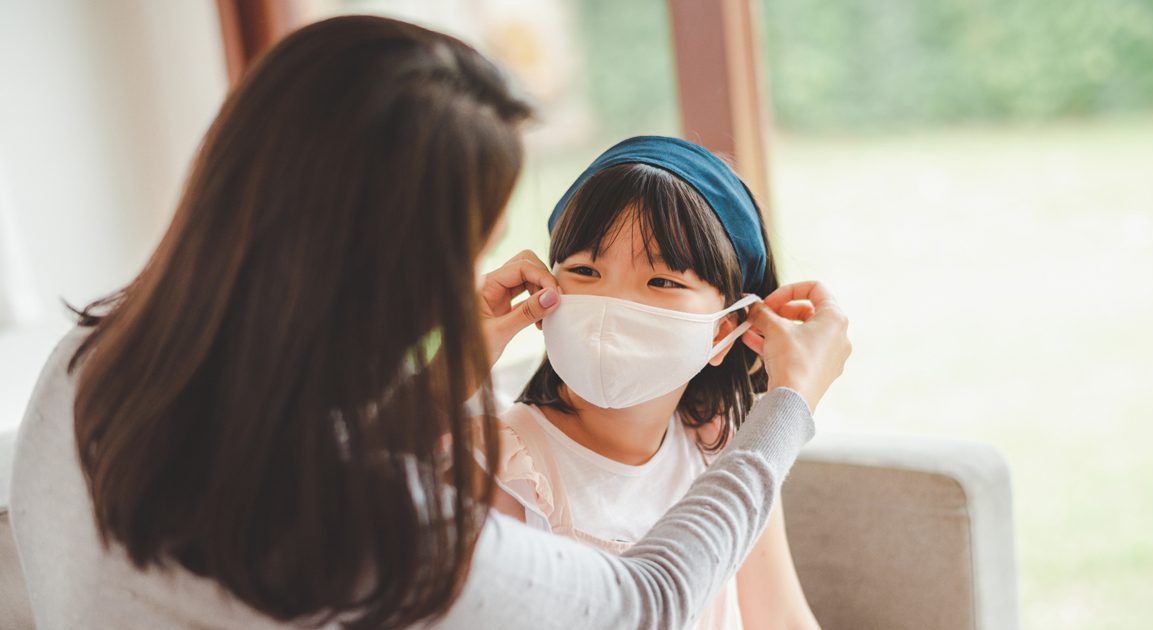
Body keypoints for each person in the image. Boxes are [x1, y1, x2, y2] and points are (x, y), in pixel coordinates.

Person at [8, 15, 851, 630]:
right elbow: (650, 601)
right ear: (388, 271)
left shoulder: (91, 364)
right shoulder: (376, 516)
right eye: (456, 256)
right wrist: (788, 409)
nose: (462, 289)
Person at [489, 136, 821, 630]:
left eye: (663, 281)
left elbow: (782, 620)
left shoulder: (726, 445)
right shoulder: (505, 464)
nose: (613, 304)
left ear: (723, 331)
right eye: (584, 270)